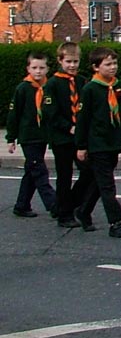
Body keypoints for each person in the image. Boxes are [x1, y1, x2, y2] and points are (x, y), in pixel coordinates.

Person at [74, 47, 121, 237]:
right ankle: (116, 222)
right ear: (96, 67)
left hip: (114, 142)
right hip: (97, 143)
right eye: (108, 64)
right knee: (107, 184)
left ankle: (83, 211)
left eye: (114, 63)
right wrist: (81, 145)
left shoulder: (120, 86)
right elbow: (83, 120)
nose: (113, 67)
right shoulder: (90, 89)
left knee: (98, 181)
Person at [42, 42, 94, 228]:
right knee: (64, 175)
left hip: (79, 137)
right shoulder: (53, 84)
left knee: (89, 171)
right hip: (62, 138)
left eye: (76, 61)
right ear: (60, 61)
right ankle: (65, 215)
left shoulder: (81, 81)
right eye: (69, 62)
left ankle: (66, 204)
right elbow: (50, 111)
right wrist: (68, 127)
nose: (72, 65)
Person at [6, 50, 57, 218]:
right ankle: (54, 205)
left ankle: (21, 205)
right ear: (28, 69)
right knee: (39, 171)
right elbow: (14, 115)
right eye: (34, 67)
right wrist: (11, 138)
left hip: (42, 135)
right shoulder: (23, 88)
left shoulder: (49, 87)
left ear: (47, 69)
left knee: (31, 171)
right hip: (28, 136)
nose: (38, 71)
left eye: (42, 67)